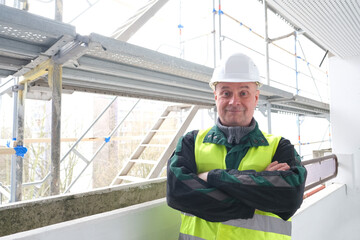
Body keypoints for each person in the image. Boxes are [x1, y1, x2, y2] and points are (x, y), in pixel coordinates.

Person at [167, 53, 307, 240]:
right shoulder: (191, 142)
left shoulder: (279, 147)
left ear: (256, 98)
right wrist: (258, 194)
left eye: (243, 93)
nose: (234, 101)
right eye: (226, 93)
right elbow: (177, 192)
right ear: (215, 96)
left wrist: (211, 176)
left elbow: (291, 195)